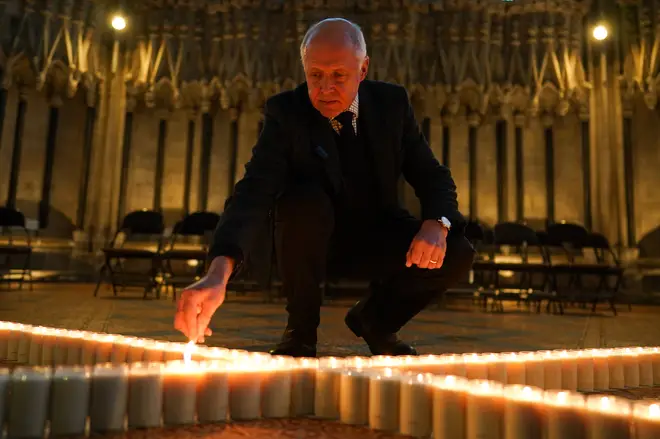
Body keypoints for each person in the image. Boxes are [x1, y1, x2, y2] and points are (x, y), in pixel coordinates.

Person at [174, 18, 475, 357]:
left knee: (458, 251)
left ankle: (376, 321)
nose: (325, 88)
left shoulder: (391, 105)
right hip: (306, 244)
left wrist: (437, 223)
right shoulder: (286, 112)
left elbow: (432, 175)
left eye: (338, 76)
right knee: (302, 201)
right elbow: (253, 191)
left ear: (363, 69)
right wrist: (219, 271)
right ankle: (300, 332)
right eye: (315, 75)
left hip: (376, 236)